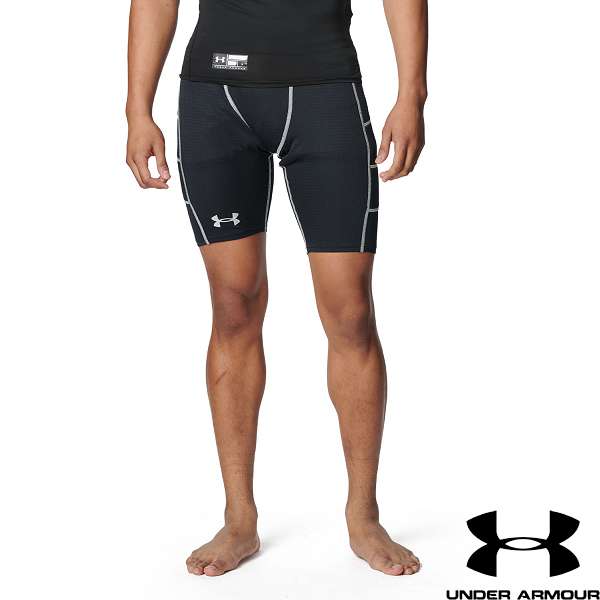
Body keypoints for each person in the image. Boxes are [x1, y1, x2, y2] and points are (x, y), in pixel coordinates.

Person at [126, 0, 427, 577]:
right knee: (233, 306)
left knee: (350, 310)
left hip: (325, 90)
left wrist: (411, 93)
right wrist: (138, 109)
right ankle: (239, 518)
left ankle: (363, 515)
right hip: (216, 95)